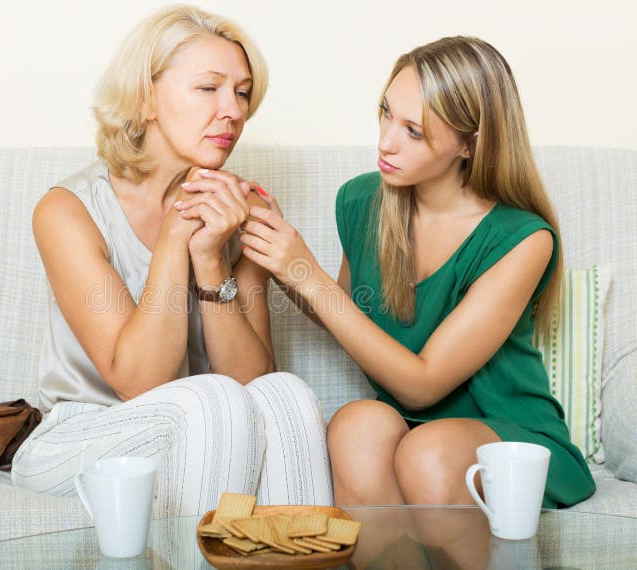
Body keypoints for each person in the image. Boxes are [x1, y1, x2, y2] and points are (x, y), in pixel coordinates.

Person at [236, 36, 594, 510]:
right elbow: (347, 312)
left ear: (469, 144)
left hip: (510, 441)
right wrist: (278, 250)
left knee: (429, 455)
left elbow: (422, 386)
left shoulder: (523, 239)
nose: (385, 141)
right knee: (355, 426)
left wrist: (304, 272)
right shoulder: (363, 200)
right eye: (385, 112)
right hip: (409, 433)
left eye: (414, 131)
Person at [11, 5, 333, 516]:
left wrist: (211, 262)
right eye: (209, 88)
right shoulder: (67, 210)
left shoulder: (241, 210)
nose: (233, 110)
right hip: (83, 438)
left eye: (242, 92)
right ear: (146, 98)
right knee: (212, 401)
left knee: (288, 396)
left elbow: (254, 381)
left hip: (212, 430)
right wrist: (177, 234)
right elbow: (140, 381)